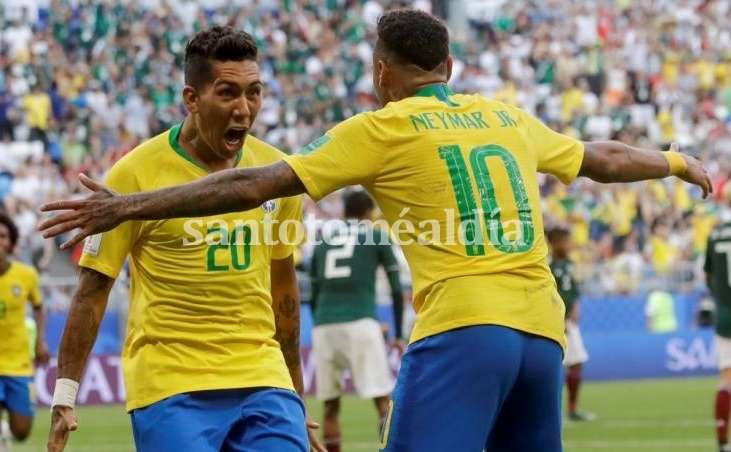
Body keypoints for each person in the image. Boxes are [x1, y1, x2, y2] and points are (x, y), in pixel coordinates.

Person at [38, 9, 712, 452]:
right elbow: (604, 158)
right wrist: (679, 161)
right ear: (448, 70)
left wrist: (127, 206)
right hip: (541, 335)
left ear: (380, 74)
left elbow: (253, 189)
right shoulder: (505, 117)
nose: (245, 109)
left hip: (462, 330)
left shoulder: (378, 128)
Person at [43, 27, 323, 452]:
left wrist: (297, 397)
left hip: (263, 378)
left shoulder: (275, 173)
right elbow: (92, 291)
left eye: (254, 93)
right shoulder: (133, 175)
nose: (244, 109)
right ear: (192, 98)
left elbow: (282, 289)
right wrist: (64, 394)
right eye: (228, 93)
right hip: (171, 382)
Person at [309, 190, 404, 452]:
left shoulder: (323, 240)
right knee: (382, 401)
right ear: (369, 213)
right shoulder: (376, 236)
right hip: (361, 321)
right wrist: (397, 334)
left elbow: (314, 293)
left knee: (329, 406)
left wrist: (319, 320)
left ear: (344, 212)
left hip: (323, 325)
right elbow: (396, 288)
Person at [0, 212, 49, 452]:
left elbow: (39, 308)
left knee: (22, 431)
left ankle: (3, 432)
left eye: (2, 236)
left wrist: (40, 342)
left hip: (19, 363)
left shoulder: (26, 275)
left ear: (11, 242)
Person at [547, 226, 595, 422]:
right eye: (566, 241)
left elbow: (573, 290)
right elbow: (549, 294)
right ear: (555, 243)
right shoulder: (548, 266)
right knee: (552, 367)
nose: (569, 245)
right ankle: (552, 411)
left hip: (570, 323)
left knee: (576, 364)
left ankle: (572, 408)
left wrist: (576, 307)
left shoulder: (568, 264)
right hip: (555, 323)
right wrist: (559, 318)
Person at [704, 184, 731, 452]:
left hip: (725, 314)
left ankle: (723, 441)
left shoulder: (714, 234)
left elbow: (708, 277)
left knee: (726, 380)